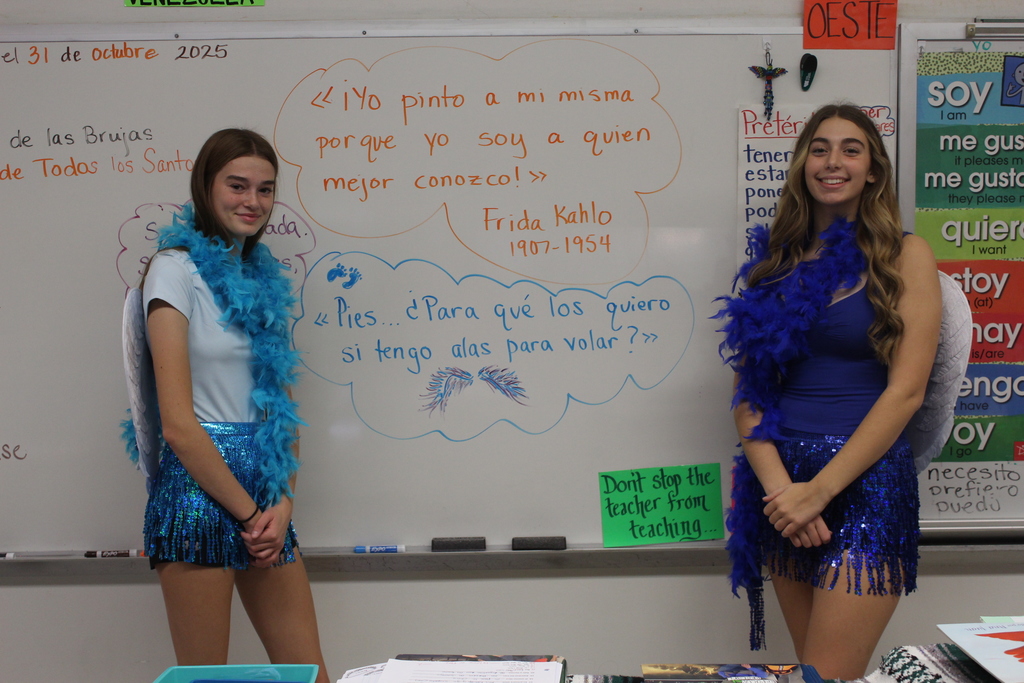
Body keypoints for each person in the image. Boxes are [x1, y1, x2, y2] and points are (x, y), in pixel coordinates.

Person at [715, 104, 941, 680]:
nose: (832, 161)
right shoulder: (774, 266)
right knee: (811, 674)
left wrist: (819, 492)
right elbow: (748, 398)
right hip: (784, 493)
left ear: (873, 171)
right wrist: (784, 493)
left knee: (831, 675)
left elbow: (907, 393)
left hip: (865, 485)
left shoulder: (905, 256)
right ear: (801, 165)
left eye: (850, 148)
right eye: (819, 148)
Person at [125, 128, 329, 682]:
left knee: (311, 676)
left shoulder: (263, 280)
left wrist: (282, 501)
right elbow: (177, 424)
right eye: (237, 185)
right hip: (198, 490)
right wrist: (248, 513)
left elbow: (283, 409)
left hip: (265, 494)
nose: (252, 202)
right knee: (208, 681)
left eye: (265, 190)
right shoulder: (174, 270)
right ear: (205, 187)